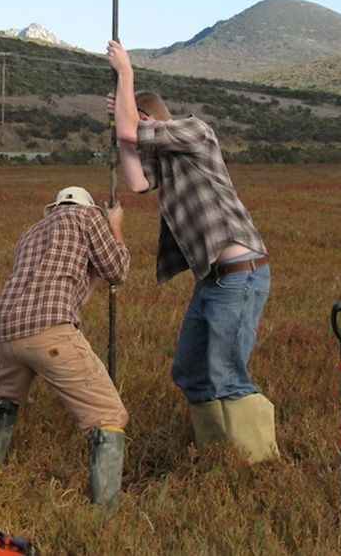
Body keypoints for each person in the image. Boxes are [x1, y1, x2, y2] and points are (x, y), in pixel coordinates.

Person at [106, 39, 278, 462]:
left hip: (239, 274)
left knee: (227, 374)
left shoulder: (194, 130)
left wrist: (126, 73)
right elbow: (136, 183)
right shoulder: (165, 159)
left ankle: (257, 463)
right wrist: (123, 134)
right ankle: (220, 455)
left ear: (149, 116)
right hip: (212, 280)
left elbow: (131, 130)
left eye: (135, 118)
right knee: (189, 371)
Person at [0, 185, 131, 507]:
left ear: (55, 206)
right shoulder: (88, 217)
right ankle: (107, 512)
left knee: (6, 396)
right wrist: (114, 224)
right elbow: (117, 271)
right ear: (90, 207)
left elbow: (72, 282)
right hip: (48, 329)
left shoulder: (31, 232)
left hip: (4, 329)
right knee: (109, 414)